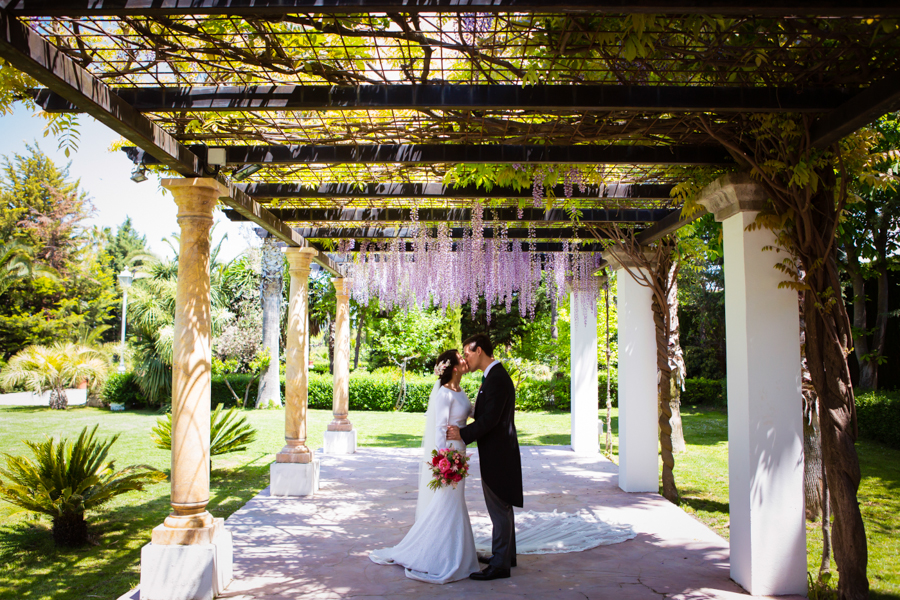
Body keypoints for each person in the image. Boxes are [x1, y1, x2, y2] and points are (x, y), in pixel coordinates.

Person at [368, 349, 480, 584]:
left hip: (460, 450)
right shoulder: (444, 395)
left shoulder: (460, 391)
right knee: (447, 502)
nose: (465, 360)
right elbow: (439, 429)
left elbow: (467, 413)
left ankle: (454, 550)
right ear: (454, 367)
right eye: (461, 358)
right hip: (449, 455)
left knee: (455, 502)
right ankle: (437, 554)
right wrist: (443, 462)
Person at [447, 333, 523, 581]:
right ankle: (505, 555)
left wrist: (462, 433)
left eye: (467, 352)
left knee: (499, 506)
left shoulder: (497, 378)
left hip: (499, 454)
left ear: (478, 350)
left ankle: (500, 565)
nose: (465, 357)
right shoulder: (492, 376)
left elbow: (489, 419)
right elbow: (486, 412)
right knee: (502, 505)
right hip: (498, 451)